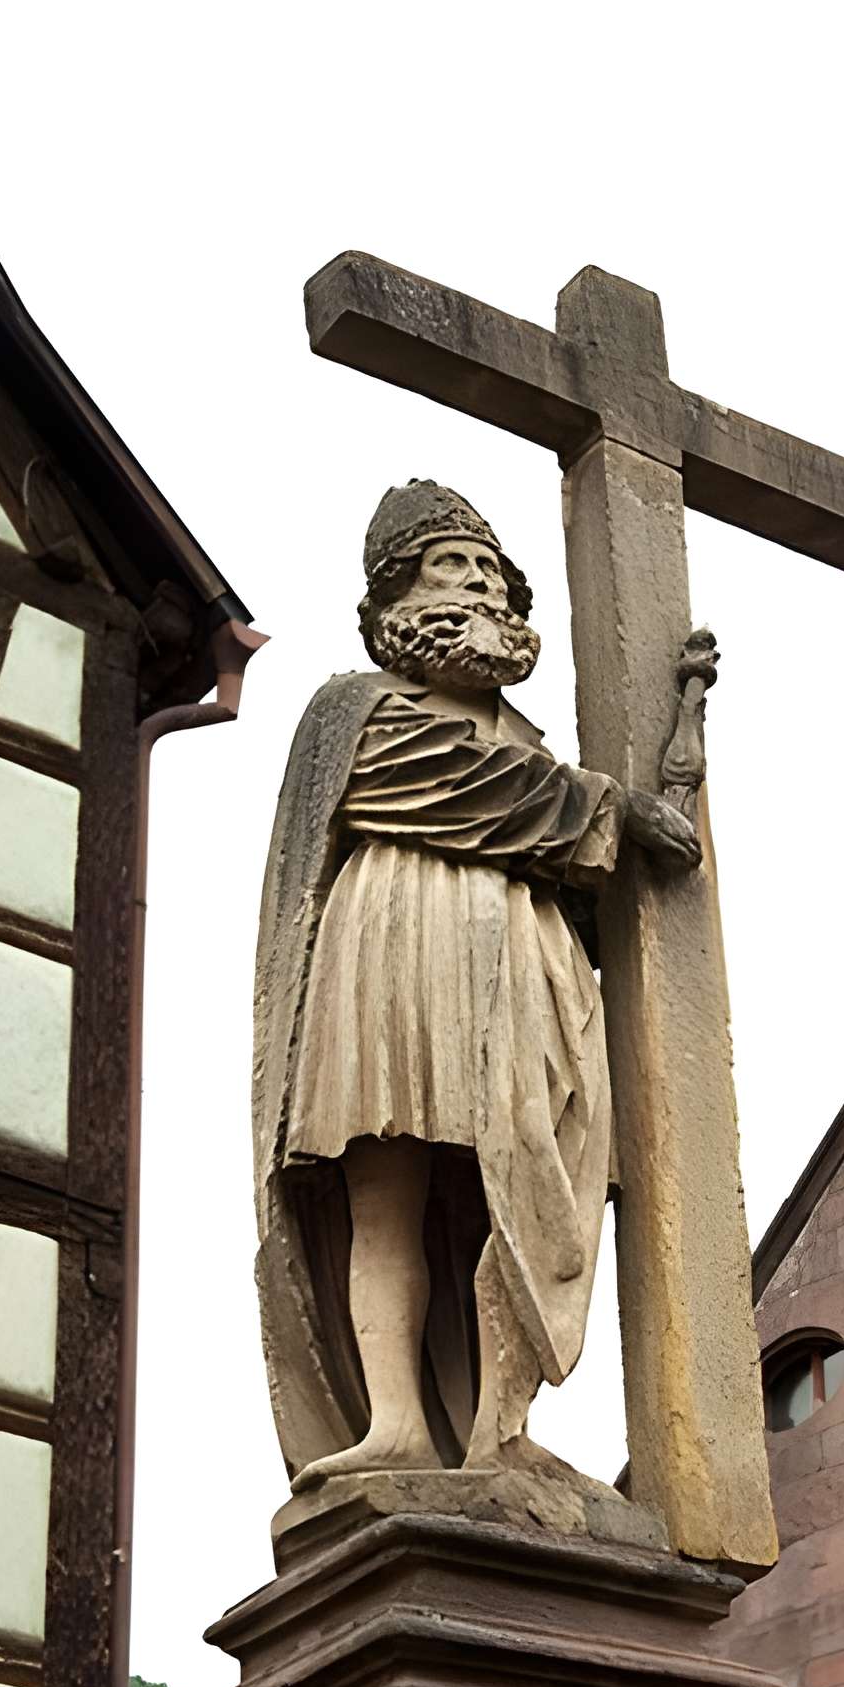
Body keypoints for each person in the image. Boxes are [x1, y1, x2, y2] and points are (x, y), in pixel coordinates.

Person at [253, 481, 698, 1488]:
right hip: (392, 952)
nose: (480, 586)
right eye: (453, 568)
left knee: (532, 1186)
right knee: (386, 1195)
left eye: (492, 574)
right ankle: (398, 1425)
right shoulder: (354, 713)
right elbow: (450, 785)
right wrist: (613, 810)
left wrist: (645, 808)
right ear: (395, 601)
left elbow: (579, 870)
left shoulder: (533, 747)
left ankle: (503, 1422)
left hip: (523, 965)